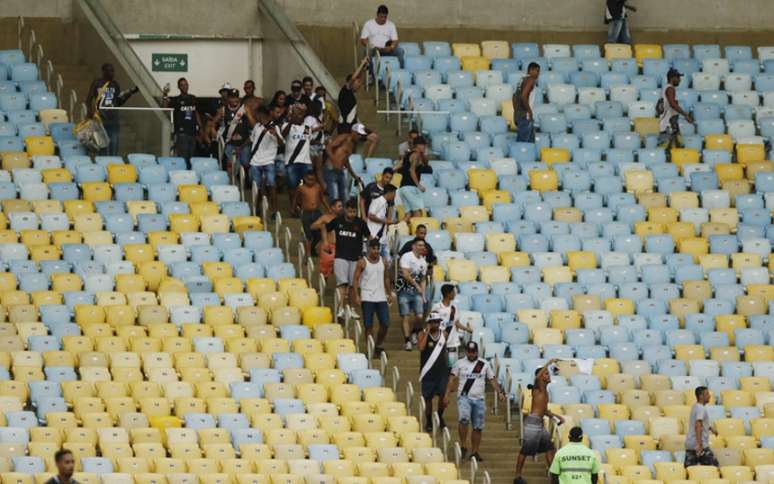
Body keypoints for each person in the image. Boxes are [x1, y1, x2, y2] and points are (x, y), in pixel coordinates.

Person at [444, 341, 504, 461]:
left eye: (474, 352)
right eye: (470, 352)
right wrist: (446, 395)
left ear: (477, 351)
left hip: (479, 399)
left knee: (478, 427)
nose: (472, 354)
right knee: (464, 419)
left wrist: (500, 392)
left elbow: (492, 379)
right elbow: (451, 379)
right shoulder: (459, 363)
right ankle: (463, 445)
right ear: (467, 352)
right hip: (464, 397)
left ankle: (475, 451)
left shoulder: (484, 364)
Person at [514, 359, 565, 484]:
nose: (549, 375)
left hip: (540, 423)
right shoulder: (539, 388)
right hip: (533, 423)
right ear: (541, 377)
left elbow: (544, 410)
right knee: (525, 450)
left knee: (550, 448)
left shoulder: (545, 391)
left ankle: (554, 478)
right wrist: (549, 362)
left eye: (548, 373)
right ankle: (517, 476)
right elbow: (537, 377)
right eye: (546, 373)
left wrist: (557, 416)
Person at [322, 199, 367, 319]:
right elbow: (324, 228)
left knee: (353, 285)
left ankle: (351, 309)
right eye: (350, 211)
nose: (352, 214)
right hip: (341, 257)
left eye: (354, 212)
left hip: (356, 258)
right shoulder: (338, 221)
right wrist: (326, 242)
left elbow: (369, 236)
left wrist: (364, 256)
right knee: (342, 284)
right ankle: (340, 309)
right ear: (345, 210)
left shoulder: (361, 223)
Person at [86, 63, 138, 155]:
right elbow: (88, 99)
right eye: (110, 71)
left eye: (113, 71)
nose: (112, 73)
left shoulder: (115, 84)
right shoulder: (97, 83)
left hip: (113, 121)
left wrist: (128, 95)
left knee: (114, 149)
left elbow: (118, 102)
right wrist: (89, 111)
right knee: (102, 150)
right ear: (103, 71)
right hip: (100, 121)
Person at [352, 238, 393, 356]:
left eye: (377, 248)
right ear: (369, 248)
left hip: (381, 296)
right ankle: (370, 348)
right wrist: (357, 295)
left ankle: (378, 344)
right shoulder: (362, 262)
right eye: (373, 248)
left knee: (385, 323)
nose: (376, 251)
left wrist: (389, 293)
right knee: (368, 325)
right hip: (367, 296)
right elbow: (355, 279)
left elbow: (386, 278)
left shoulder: (383, 261)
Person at [248, 104, 284, 218]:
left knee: (272, 186)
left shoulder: (275, 127)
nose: (256, 116)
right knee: (257, 187)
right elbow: (251, 140)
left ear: (261, 114)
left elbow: (282, 144)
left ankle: (274, 211)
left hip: (269, 161)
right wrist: (239, 149)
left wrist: (275, 134)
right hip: (255, 161)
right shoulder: (257, 126)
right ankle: (257, 208)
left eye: (257, 114)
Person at [323, 124, 370, 203]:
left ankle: (344, 214)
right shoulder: (343, 137)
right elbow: (328, 147)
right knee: (334, 196)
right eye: (358, 134)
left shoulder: (353, 144)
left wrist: (354, 175)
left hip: (340, 171)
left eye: (361, 135)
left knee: (345, 197)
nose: (359, 137)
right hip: (331, 169)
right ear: (353, 132)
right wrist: (333, 159)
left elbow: (345, 160)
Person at [418, 312, 448, 433]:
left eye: (437, 321)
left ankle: (440, 416)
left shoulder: (444, 334)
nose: (436, 324)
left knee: (442, 397)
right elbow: (421, 348)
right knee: (428, 399)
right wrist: (426, 332)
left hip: (441, 372)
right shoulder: (422, 334)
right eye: (433, 322)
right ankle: (429, 420)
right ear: (429, 323)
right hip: (428, 372)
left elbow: (446, 351)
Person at [396, 238, 428, 350]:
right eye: (419, 245)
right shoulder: (407, 257)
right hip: (404, 290)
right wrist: (416, 285)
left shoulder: (423, 262)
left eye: (423, 245)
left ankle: (414, 331)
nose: (422, 247)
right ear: (413, 246)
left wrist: (423, 293)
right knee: (405, 316)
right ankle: (407, 340)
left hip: (416, 293)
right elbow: (405, 274)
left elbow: (423, 279)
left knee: (419, 316)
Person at [162, 77, 202, 164]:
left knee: (191, 157)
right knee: (183, 157)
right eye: (182, 85)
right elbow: (165, 108)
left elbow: (196, 113)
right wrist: (165, 94)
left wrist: (200, 127)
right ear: (179, 87)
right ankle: (183, 175)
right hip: (182, 133)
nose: (184, 87)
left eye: (186, 84)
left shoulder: (193, 98)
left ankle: (190, 175)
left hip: (193, 132)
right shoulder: (176, 100)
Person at [282, 104, 314, 213]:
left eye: (301, 115)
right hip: (292, 161)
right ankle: (293, 207)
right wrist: (291, 121)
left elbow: (307, 141)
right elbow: (283, 134)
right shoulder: (287, 126)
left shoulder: (307, 129)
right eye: (297, 114)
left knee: (305, 186)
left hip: (306, 162)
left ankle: (302, 206)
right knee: (292, 187)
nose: (299, 116)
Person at [399, 223, 437, 314]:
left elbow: (433, 260)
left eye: (424, 233)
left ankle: (420, 326)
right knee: (406, 310)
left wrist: (429, 267)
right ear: (416, 232)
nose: (422, 235)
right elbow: (399, 258)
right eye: (421, 233)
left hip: (422, 279)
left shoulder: (428, 246)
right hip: (407, 282)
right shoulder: (408, 245)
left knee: (423, 306)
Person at [432, 284, 472, 367]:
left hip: (452, 342)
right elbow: (431, 323)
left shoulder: (454, 307)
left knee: (452, 365)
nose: (455, 294)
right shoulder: (436, 307)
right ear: (447, 294)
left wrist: (467, 329)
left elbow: (456, 322)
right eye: (453, 292)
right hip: (439, 341)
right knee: (439, 365)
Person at [393, 135, 432, 218]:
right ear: (419, 145)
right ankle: (415, 230)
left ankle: (398, 228)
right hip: (410, 187)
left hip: (403, 187)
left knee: (408, 214)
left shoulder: (407, 155)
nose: (425, 148)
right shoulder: (417, 155)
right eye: (424, 145)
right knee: (419, 212)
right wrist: (419, 185)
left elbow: (397, 166)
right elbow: (411, 170)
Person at [213, 88, 251, 172]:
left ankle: (244, 183)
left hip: (244, 143)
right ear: (228, 98)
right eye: (232, 97)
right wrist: (215, 133)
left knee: (245, 163)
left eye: (236, 97)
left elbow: (254, 124)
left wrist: (247, 114)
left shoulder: (244, 108)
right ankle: (232, 183)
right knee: (231, 166)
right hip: (230, 143)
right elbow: (213, 123)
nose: (234, 99)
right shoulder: (223, 110)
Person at [659, 68, 694, 151]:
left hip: (671, 123)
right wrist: (686, 114)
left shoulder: (666, 88)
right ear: (672, 78)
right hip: (668, 124)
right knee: (665, 149)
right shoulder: (670, 89)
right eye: (678, 77)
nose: (680, 80)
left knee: (676, 148)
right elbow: (673, 104)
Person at [296, 172, 329, 259]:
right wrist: (296, 208)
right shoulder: (301, 188)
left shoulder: (318, 187)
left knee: (320, 233)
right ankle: (308, 255)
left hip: (317, 213)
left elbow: (322, 198)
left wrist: (328, 208)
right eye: (309, 179)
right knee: (308, 234)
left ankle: (313, 248)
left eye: (313, 180)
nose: (311, 182)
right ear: (305, 179)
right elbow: (296, 199)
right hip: (306, 213)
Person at [685, 386, 719, 467]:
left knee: (690, 469)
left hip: (690, 443)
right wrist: (699, 445)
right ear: (701, 396)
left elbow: (700, 423)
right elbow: (698, 425)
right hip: (700, 444)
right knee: (714, 467)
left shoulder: (695, 406)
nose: (709, 396)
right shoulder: (701, 409)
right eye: (707, 394)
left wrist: (711, 428)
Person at [366, 184, 399, 262]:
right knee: (372, 261)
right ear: (390, 193)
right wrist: (388, 221)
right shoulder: (377, 201)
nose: (394, 196)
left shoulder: (385, 203)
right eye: (394, 194)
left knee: (386, 262)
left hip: (382, 238)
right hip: (374, 237)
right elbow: (371, 216)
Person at [311, 199, 343, 278]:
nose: (341, 208)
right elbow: (312, 226)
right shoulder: (325, 217)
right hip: (328, 246)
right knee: (325, 271)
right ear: (332, 207)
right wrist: (322, 226)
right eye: (339, 206)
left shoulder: (343, 219)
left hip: (340, 247)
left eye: (342, 206)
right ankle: (322, 289)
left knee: (341, 270)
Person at [338, 56, 369, 133]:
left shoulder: (350, 92)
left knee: (374, 137)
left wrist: (363, 70)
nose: (359, 85)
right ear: (349, 82)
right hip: (345, 126)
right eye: (357, 82)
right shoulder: (345, 90)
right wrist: (362, 64)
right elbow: (353, 78)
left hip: (354, 124)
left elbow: (357, 78)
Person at [514, 62, 540, 143]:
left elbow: (514, 97)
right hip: (525, 116)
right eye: (537, 71)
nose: (538, 74)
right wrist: (529, 111)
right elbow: (523, 96)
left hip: (519, 114)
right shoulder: (531, 80)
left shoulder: (521, 80)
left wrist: (516, 110)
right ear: (531, 70)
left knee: (530, 143)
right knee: (523, 144)